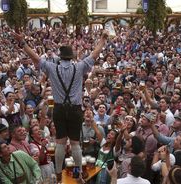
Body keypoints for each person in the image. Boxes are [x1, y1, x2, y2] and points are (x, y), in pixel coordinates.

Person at [11, 29, 109, 182]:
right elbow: (95, 55)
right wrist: (103, 40)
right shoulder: (80, 66)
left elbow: (35, 58)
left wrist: (22, 42)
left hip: (58, 108)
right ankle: (77, 173)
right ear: (71, 57)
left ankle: (57, 174)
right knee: (75, 144)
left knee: (60, 143)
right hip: (75, 109)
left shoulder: (51, 67)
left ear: (60, 57)